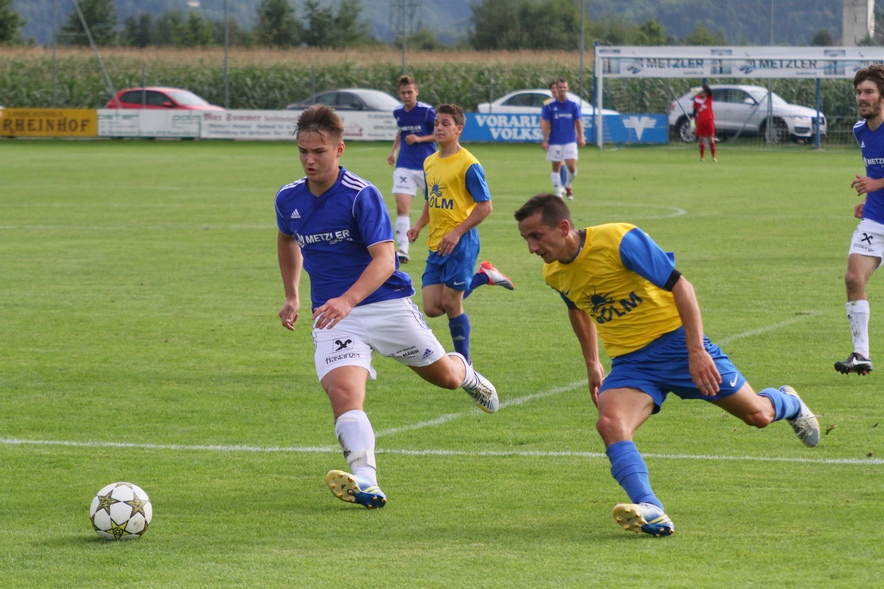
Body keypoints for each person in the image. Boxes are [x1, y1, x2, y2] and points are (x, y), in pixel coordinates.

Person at [514, 193, 820, 537]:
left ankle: (789, 402)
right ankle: (651, 508)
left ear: (563, 227)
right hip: (631, 364)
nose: (532, 248)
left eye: (536, 236)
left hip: (677, 346)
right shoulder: (553, 272)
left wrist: (696, 350)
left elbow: (681, 285)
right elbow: (577, 309)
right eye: (526, 239)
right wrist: (593, 363)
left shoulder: (618, 239)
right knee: (610, 424)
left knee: (758, 416)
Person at [276, 105, 499, 510]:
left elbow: (385, 260)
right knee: (343, 393)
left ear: (339, 150)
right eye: (303, 151)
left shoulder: (361, 195)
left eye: (319, 152)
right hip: (333, 316)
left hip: (385, 306)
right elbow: (287, 239)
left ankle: (467, 373)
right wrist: (293, 294)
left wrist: (348, 299)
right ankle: (366, 478)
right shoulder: (288, 197)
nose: (309, 160)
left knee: (446, 379)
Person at [407, 103, 514, 365]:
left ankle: (465, 364)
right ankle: (483, 276)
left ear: (459, 129)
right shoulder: (429, 161)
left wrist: (457, 232)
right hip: (436, 242)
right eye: (436, 124)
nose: (439, 128)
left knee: (452, 304)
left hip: (461, 242)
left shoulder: (469, 164)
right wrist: (419, 225)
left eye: (445, 123)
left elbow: (485, 206)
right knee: (433, 308)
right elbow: (431, 199)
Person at [835, 64, 884, 375]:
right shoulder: (860, 130)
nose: (862, 97)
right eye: (858, 92)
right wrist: (869, 199)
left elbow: (878, 177)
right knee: (854, 278)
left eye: (869, 92)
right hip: (876, 220)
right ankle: (861, 354)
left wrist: (877, 184)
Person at [387, 75, 436, 264]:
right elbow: (401, 131)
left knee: (436, 208)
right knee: (401, 207)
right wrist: (393, 151)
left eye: (409, 92)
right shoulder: (398, 112)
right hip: (404, 166)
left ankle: (438, 245)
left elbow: (440, 134)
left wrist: (420, 138)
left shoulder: (427, 112)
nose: (406, 96)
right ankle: (403, 249)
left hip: (428, 166)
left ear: (417, 92)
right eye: (403, 93)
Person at [540, 78, 585, 200]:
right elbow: (547, 124)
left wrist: (581, 136)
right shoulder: (550, 106)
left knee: (572, 167)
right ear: (557, 89)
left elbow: (578, 122)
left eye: (564, 87)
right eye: (559, 87)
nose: (562, 89)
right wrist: (545, 140)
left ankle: (568, 185)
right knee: (556, 167)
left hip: (570, 141)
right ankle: (558, 194)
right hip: (555, 141)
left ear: (567, 88)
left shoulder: (573, 105)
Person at [692, 84, 717, 162]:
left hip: (709, 120)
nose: (704, 93)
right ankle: (702, 157)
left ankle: (713, 157)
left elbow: (710, 92)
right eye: (703, 92)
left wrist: (705, 88)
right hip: (700, 120)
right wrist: (693, 119)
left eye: (705, 92)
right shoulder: (697, 98)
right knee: (701, 138)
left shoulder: (709, 98)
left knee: (710, 138)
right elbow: (695, 110)